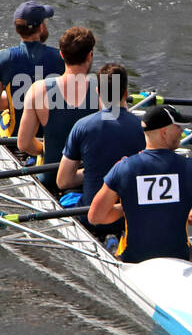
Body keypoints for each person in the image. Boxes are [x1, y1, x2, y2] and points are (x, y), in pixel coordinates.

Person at [87, 105, 192, 263]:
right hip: (179, 259)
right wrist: (185, 213)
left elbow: (96, 217)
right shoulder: (190, 167)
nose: (182, 131)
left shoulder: (124, 168)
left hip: (133, 261)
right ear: (164, 133)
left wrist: (128, 207)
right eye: (178, 127)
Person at [56, 63, 144, 224]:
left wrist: (92, 171)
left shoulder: (82, 126)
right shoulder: (145, 129)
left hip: (93, 216)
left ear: (98, 92)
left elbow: (63, 181)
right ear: (126, 92)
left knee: (68, 191)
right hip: (132, 217)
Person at [17, 27, 99, 193]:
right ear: (90, 55)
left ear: (61, 55)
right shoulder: (104, 89)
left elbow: (24, 144)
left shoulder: (39, 90)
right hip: (90, 178)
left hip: (51, 178)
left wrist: (43, 149)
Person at [0, 1, 66, 136]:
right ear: (40, 27)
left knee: (1, 115)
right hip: (49, 137)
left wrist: (16, 101)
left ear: (17, 30)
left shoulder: (3, 57)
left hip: (15, 136)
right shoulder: (61, 58)